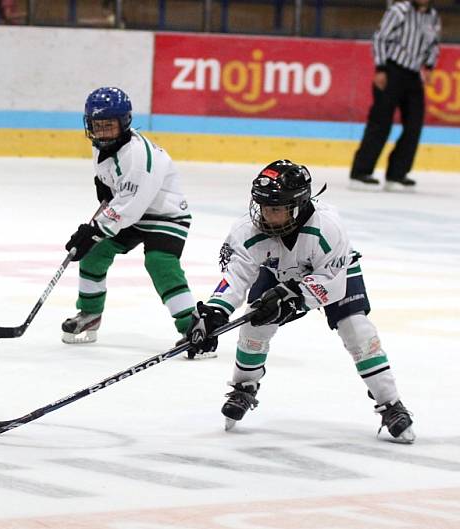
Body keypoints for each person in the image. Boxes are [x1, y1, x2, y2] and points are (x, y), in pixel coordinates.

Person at [184, 160, 415, 443]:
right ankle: (244, 387)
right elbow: (237, 276)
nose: (267, 216)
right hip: (277, 270)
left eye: (276, 209)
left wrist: (292, 296)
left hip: (332, 274)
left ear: (299, 205)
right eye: (264, 207)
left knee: (357, 329)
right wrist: (215, 311)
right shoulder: (247, 231)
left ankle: (391, 403)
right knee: (255, 323)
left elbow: (331, 284)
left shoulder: (329, 229)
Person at [62, 86, 203, 357]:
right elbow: (118, 191)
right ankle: (90, 314)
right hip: (132, 210)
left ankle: (194, 328)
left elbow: (130, 207)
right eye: (97, 125)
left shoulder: (139, 158)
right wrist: (104, 190)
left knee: (160, 263)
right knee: (94, 255)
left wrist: (93, 230)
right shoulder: (103, 145)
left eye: (109, 126)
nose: (102, 132)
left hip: (165, 214)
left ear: (124, 123)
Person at [349, 0, 441, 192]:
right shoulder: (399, 11)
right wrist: (381, 68)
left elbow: (433, 44)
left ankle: (397, 174)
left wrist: (430, 66)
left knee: (414, 125)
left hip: (413, 75)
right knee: (380, 122)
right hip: (392, 71)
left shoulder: (433, 16)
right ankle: (361, 172)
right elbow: (381, 38)